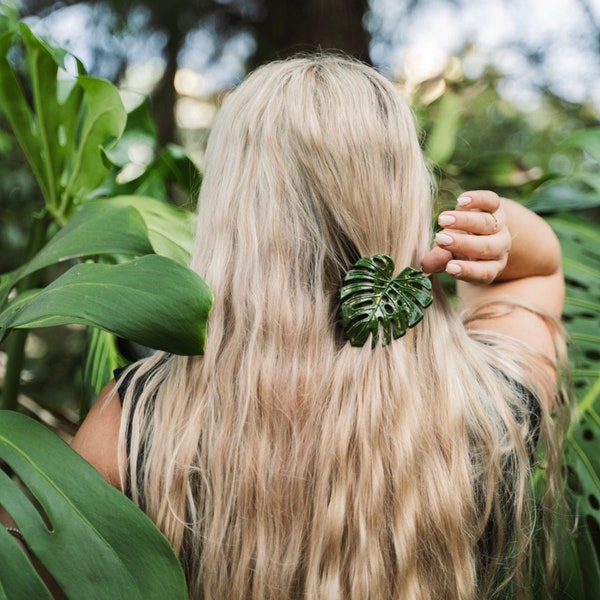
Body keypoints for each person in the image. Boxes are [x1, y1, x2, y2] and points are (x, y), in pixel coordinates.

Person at [71, 55, 568, 599]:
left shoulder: (132, 424)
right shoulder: (487, 401)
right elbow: (540, 271)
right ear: (402, 194)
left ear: (228, 204)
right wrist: (497, 232)